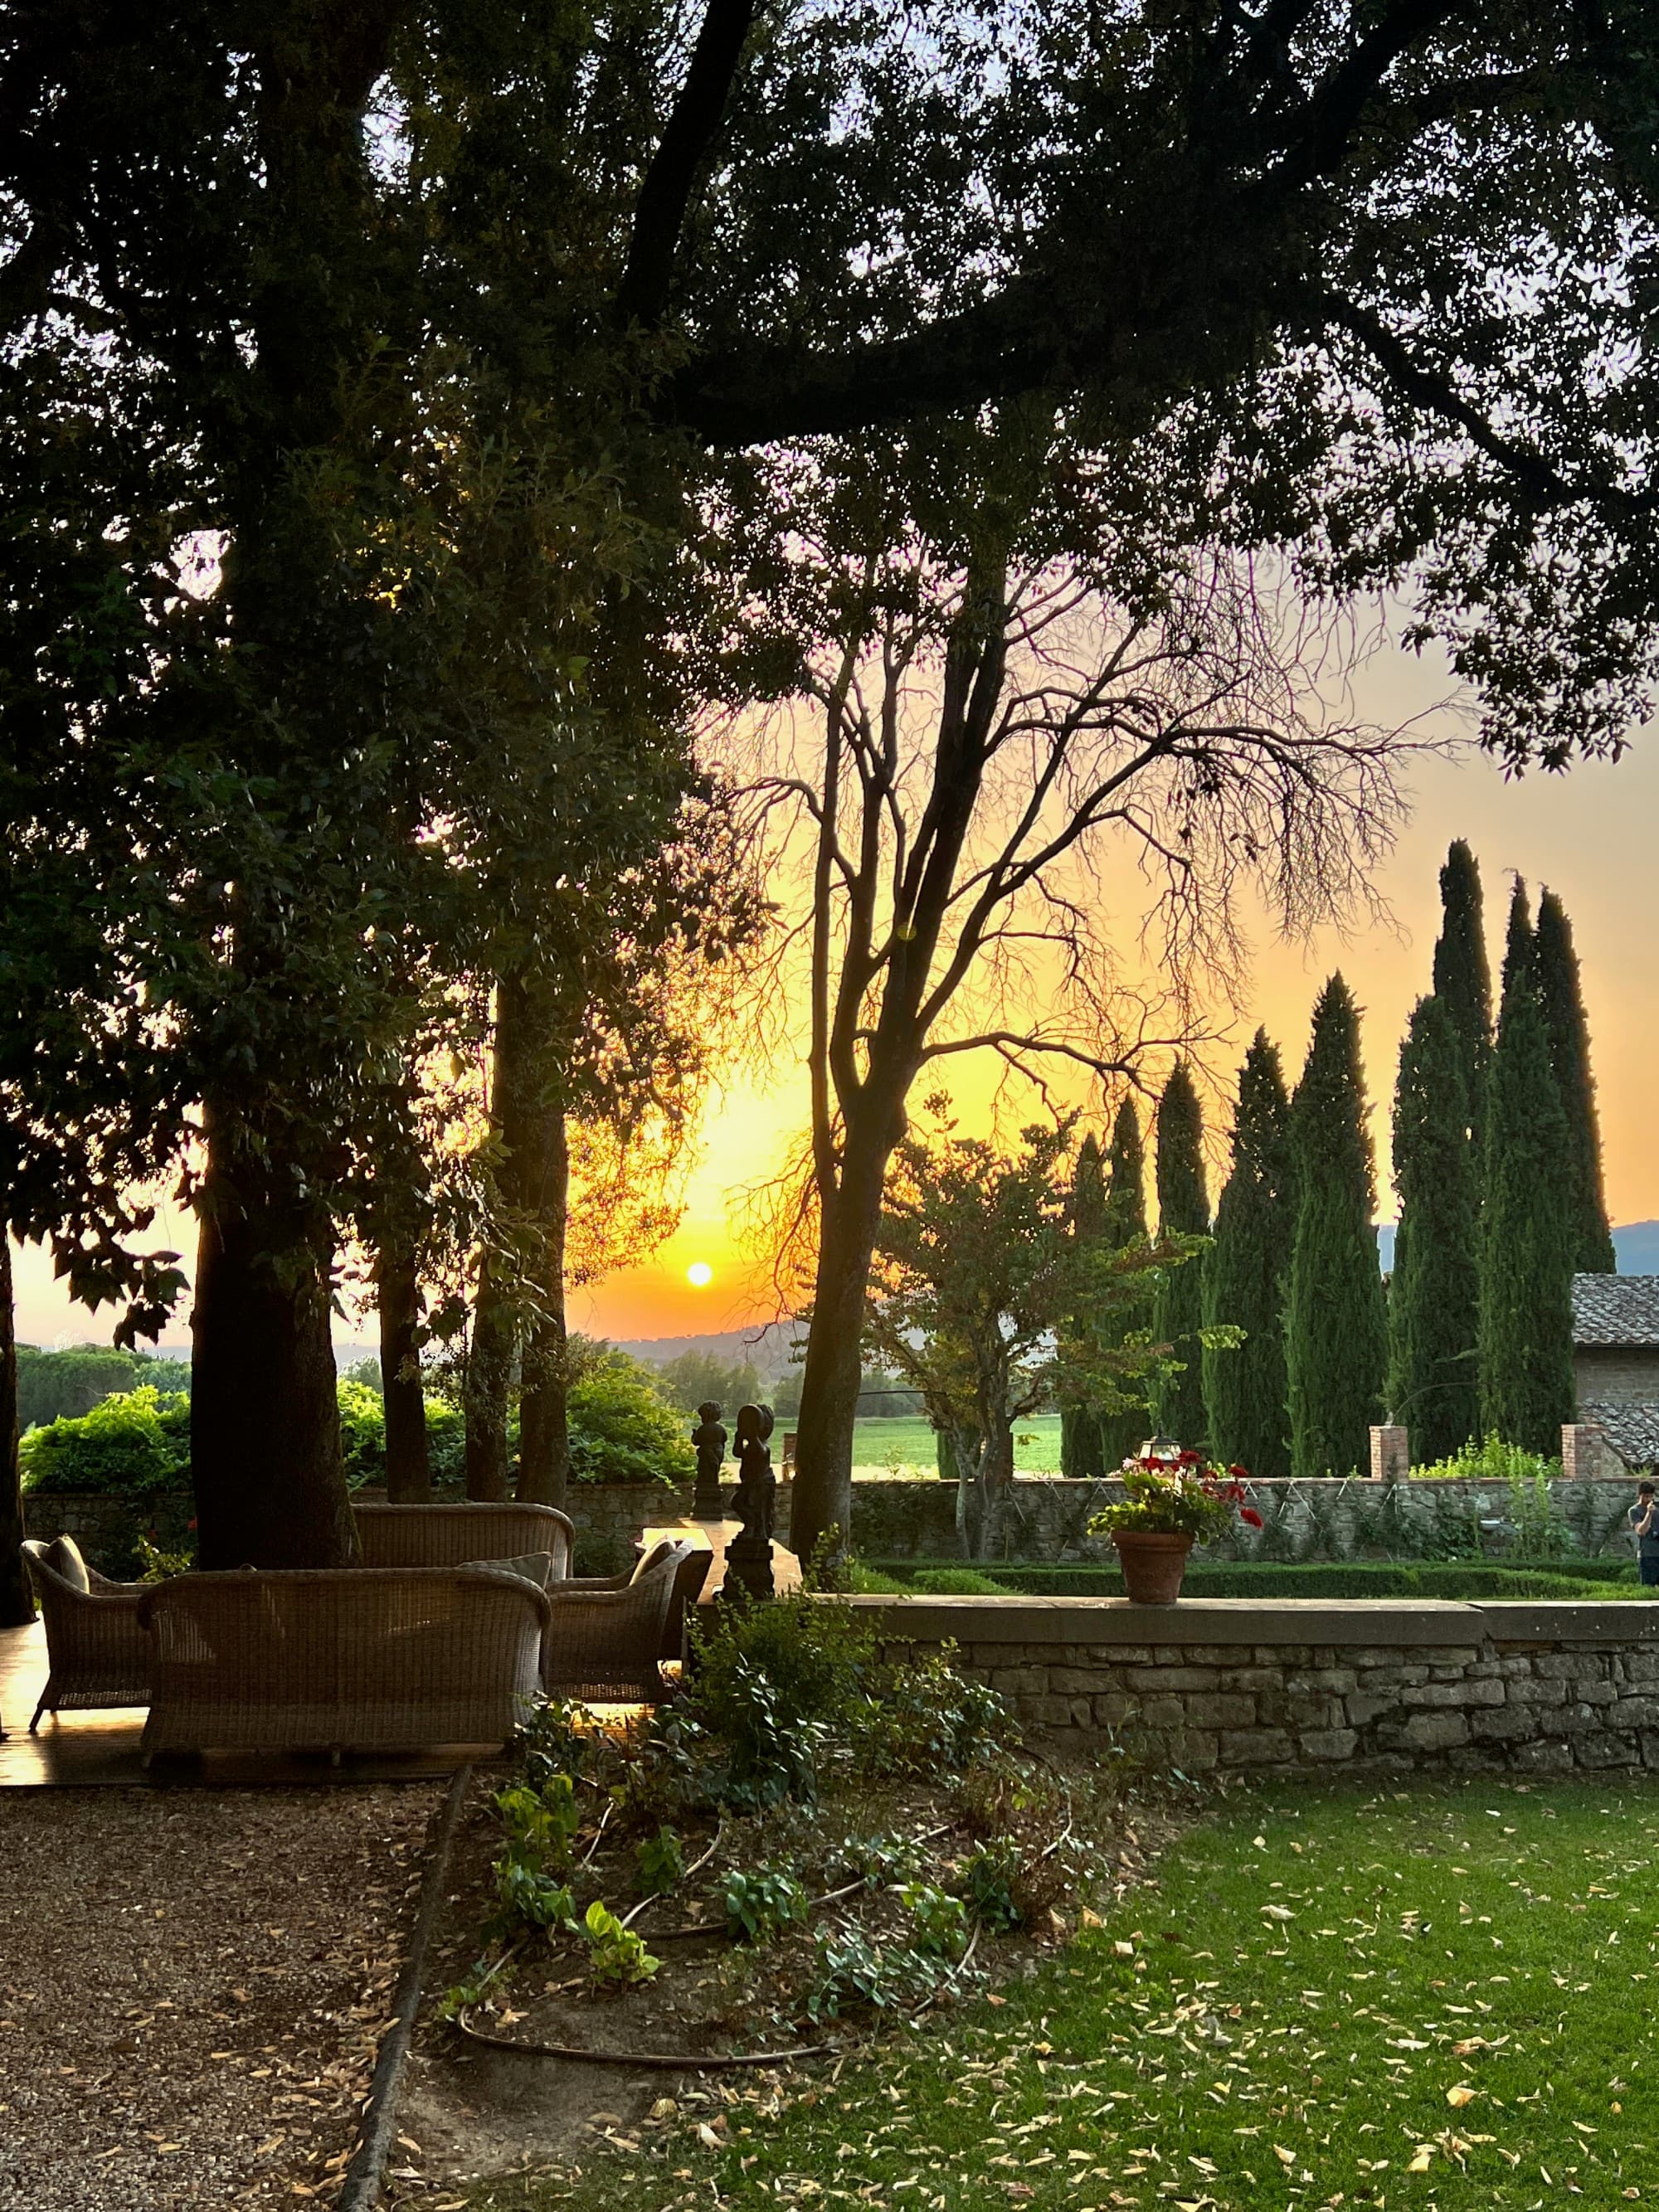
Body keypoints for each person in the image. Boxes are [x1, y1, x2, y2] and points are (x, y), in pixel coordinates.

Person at [1629, 1480, 1659, 1590]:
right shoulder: (1634, 1511)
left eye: (1651, 1496)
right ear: (1640, 1495)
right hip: (1648, 1554)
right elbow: (1641, 1531)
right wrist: (1649, 1514)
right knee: (1648, 1588)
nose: (1648, 1500)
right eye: (1646, 1496)